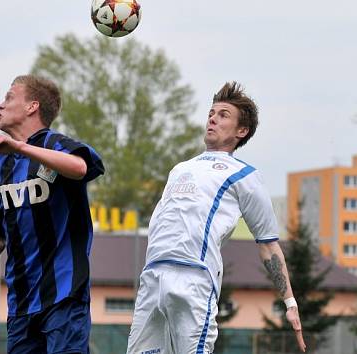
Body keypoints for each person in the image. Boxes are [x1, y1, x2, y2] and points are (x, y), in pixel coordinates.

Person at [127, 82, 306, 353]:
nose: (212, 118)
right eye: (211, 112)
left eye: (223, 115)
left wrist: (290, 303)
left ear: (241, 131)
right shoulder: (180, 169)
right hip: (152, 276)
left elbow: (268, 244)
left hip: (194, 280)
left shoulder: (245, 176)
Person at [0, 74, 104, 354]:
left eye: (9, 97)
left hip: (64, 294)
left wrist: (20, 147)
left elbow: (80, 168)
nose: (0, 105)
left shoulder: (56, 145)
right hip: (21, 303)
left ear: (32, 107)